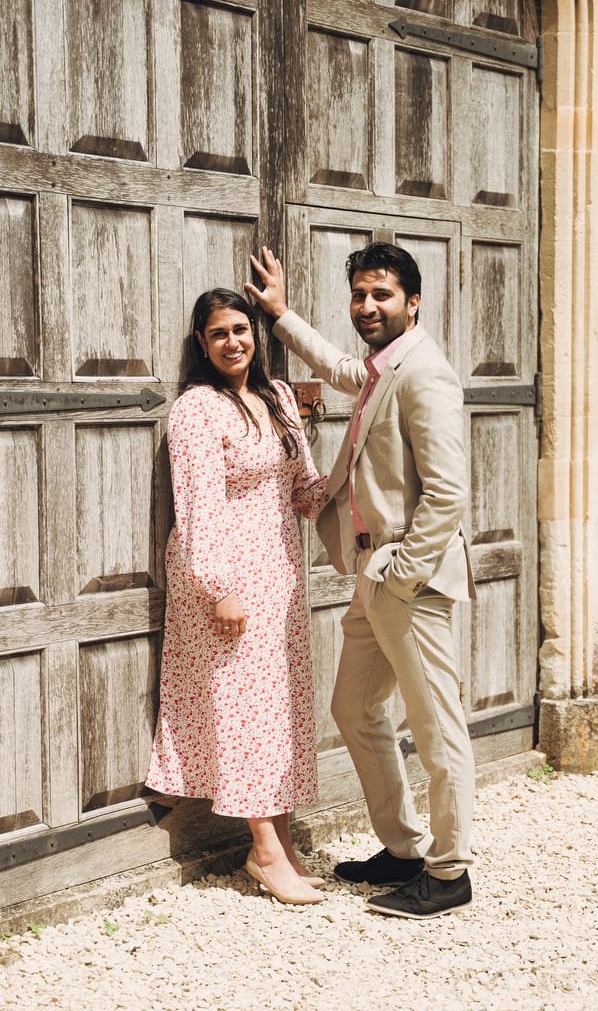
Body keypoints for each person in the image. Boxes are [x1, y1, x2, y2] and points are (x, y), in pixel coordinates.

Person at [245, 244, 477, 920]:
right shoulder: (384, 368)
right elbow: (343, 368)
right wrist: (281, 314)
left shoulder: (425, 374)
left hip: (410, 581)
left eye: (383, 295)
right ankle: (404, 848)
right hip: (375, 577)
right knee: (353, 708)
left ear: (414, 301)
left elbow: (448, 492)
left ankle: (450, 870)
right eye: (360, 295)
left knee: (437, 728)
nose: (368, 307)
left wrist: (405, 572)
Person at [146, 288, 327, 906]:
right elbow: (195, 507)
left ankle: (282, 837)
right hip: (224, 578)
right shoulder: (198, 409)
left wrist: (365, 457)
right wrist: (217, 587)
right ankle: (264, 850)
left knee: (276, 709)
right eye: (219, 333)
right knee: (243, 710)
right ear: (203, 343)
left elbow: (305, 490)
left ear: (258, 335)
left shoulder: (277, 399)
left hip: (279, 576)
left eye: (242, 329)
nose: (233, 342)